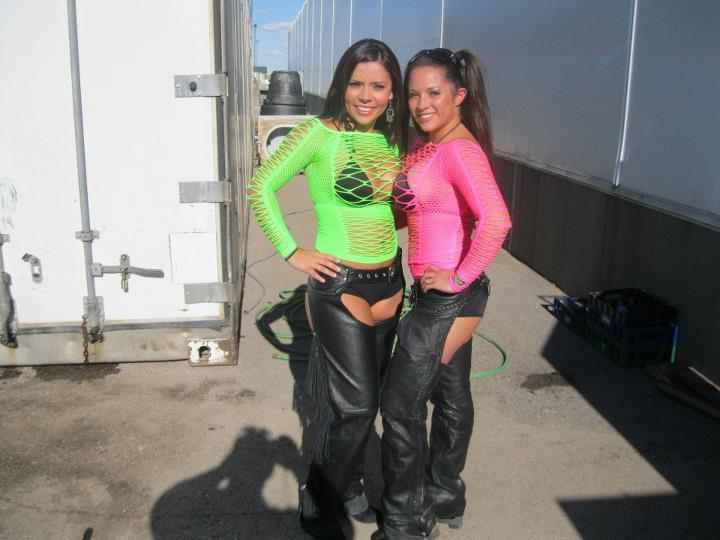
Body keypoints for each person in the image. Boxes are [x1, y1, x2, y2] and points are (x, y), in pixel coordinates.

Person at [248, 39, 405, 536]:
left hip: (391, 282)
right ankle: (319, 499)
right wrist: (293, 251)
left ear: (392, 92)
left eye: (378, 86)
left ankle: (352, 485)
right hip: (341, 286)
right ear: (341, 85)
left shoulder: (395, 139)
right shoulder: (317, 134)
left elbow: (391, 208)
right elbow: (261, 186)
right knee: (357, 407)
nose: (366, 95)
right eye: (357, 84)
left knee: (363, 404)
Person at [374, 49, 512, 540]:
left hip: (448, 299)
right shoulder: (429, 147)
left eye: (434, 93)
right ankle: (445, 493)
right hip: (437, 294)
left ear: (459, 95)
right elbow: (418, 213)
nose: (421, 103)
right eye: (413, 94)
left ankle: (405, 522)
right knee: (451, 395)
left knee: (399, 407)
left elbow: (497, 222)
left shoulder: (459, 150)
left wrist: (457, 278)